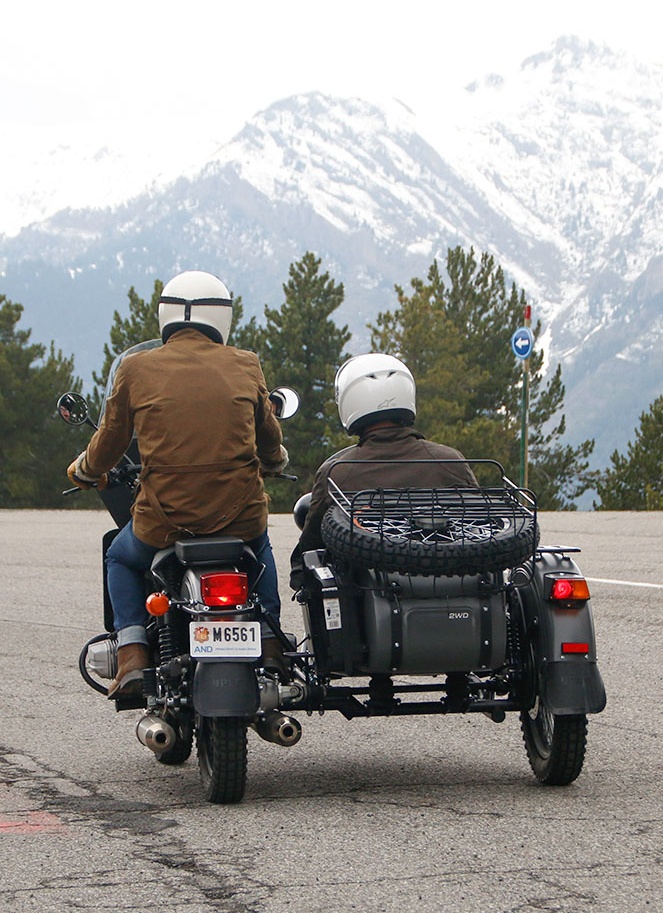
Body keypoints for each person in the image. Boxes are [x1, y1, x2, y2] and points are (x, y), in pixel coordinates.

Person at [67, 270, 288, 697]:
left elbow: (109, 442)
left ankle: (131, 652)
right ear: (222, 318)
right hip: (237, 518)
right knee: (259, 549)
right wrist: (276, 462)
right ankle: (272, 638)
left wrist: (85, 470)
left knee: (120, 557)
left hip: (164, 522)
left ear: (166, 315)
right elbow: (269, 439)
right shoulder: (246, 364)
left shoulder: (135, 367)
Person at [291, 352, 478, 587]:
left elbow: (313, 542)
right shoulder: (450, 460)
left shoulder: (337, 472)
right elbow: (479, 525)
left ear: (349, 402)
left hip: (369, 598)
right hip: (452, 588)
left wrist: (299, 573)